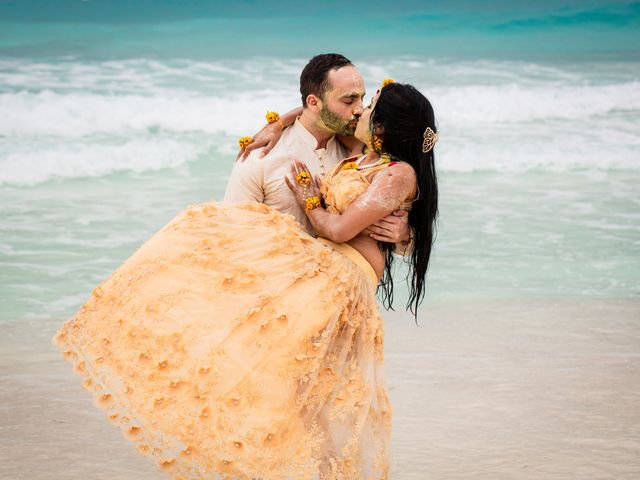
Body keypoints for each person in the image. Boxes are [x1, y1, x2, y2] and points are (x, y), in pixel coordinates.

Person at [53, 81, 438, 479]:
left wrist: (311, 197)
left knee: (301, 388)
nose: (360, 109)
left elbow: (339, 230)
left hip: (340, 279)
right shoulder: (363, 153)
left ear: (382, 128)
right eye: (355, 101)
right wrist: (278, 122)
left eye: (368, 104)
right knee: (285, 381)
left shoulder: (392, 168)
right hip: (322, 270)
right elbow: (315, 113)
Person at [225, 53, 411, 248]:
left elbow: (406, 242)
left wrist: (404, 234)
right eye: (349, 101)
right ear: (314, 102)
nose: (359, 109)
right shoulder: (261, 157)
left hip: (353, 274)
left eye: (362, 98)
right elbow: (234, 234)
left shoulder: (369, 154)